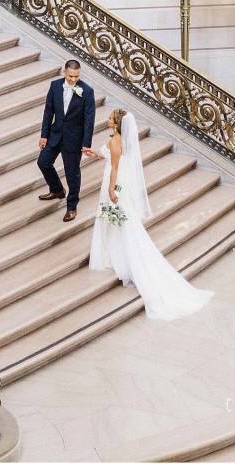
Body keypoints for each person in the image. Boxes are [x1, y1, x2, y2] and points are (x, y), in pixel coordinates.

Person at [87, 108, 213, 320]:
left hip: (114, 182)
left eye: (110, 118)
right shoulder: (117, 139)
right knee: (118, 222)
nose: (107, 119)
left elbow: (115, 168)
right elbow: (112, 159)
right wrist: (98, 153)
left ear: (117, 123)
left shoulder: (117, 141)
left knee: (119, 222)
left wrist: (111, 189)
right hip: (115, 179)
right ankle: (118, 255)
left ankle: (124, 260)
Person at [37, 59, 95, 222]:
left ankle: (71, 206)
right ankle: (57, 189)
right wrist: (44, 135)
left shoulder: (87, 91)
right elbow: (48, 112)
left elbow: (89, 119)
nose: (73, 79)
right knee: (43, 162)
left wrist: (86, 144)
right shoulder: (55, 86)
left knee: (72, 174)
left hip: (74, 139)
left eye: (76, 76)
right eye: (70, 76)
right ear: (65, 72)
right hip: (55, 134)